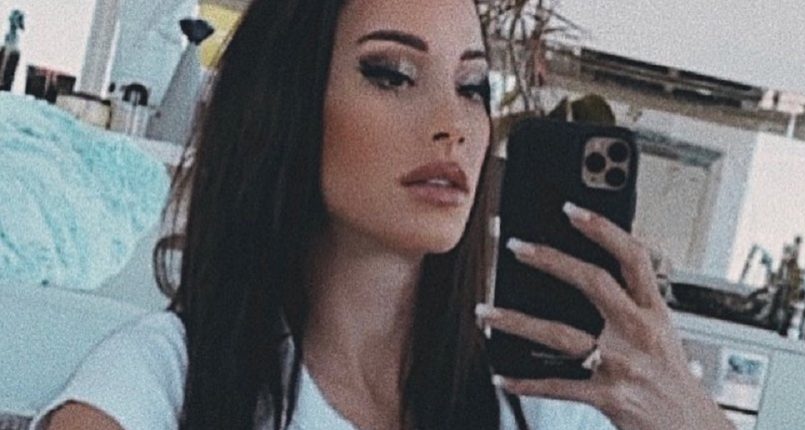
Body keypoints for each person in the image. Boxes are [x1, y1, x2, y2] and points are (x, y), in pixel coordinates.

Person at [31, 0, 734, 429]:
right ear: (288, 106)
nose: (452, 124)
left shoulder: (541, 406)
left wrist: (694, 422)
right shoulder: (161, 378)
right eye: (392, 74)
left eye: (472, 86)